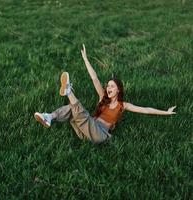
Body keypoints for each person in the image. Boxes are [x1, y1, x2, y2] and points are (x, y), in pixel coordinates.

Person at [34, 44, 177, 144]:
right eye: (107, 85)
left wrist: (166, 112)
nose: (108, 88)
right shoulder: (102, 97)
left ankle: (68, 91)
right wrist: (85, 59)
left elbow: (145, 110)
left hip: (99, 134)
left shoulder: (123, 105)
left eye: (112, 86)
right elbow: (94, 78)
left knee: (82, 113)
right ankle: (49, 117)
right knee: (75, 111)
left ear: (118, 90)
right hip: (84, 132)